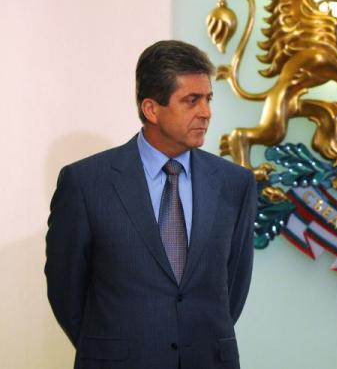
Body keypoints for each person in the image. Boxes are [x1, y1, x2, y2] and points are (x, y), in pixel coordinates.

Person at [45, 40, 257, 369]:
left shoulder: (235, 184)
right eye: (191, 100)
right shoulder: (86, 183)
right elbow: (66, 291)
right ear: (151, 109)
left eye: (208, 99)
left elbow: (235, 285)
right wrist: (112, 346)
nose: (206, 112)